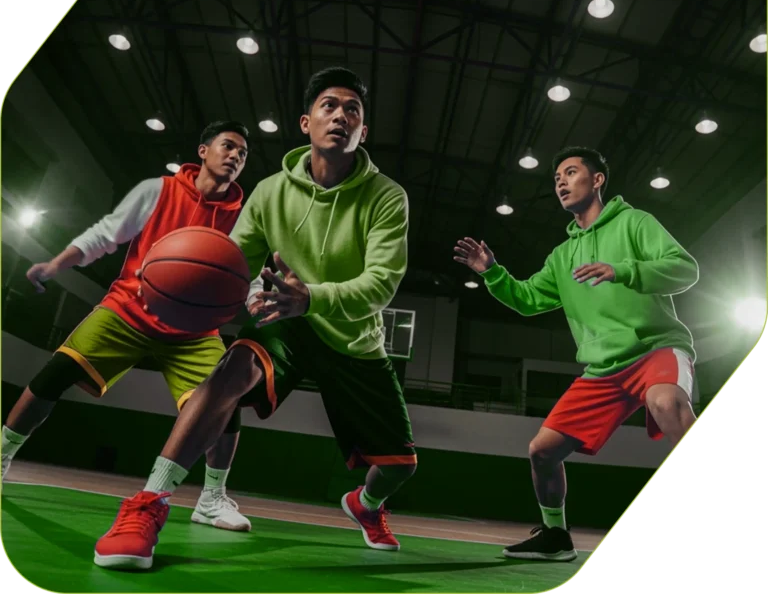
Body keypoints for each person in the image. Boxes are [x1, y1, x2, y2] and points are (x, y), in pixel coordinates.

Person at [93, 66, 416, 571]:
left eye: (352, 109)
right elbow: (232, 262)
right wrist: (223, 297)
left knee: (401, 466)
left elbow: (382, 283)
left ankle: (365, 504)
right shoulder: (269, 191)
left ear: (363, 131)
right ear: (305, 122)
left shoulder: (387, 197)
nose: (341, 115)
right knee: (229, 374)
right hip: (285, 317)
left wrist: (312, 296)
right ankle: (148, 504)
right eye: (329, 105)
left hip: (353, 338)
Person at [1, 121, 254, 537]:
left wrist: (266, 295)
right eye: (228, 146)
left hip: (194, 328)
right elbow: (106, 234)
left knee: (225, 403)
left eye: (243, 154)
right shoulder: (158, 189)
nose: (235, 157)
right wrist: (55, 265)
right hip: (130, 307)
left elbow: (248, 273)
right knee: (56, 372)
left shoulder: (242, 220)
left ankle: (211, 499)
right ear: (204, 150)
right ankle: (2, 457)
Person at [454, 146, 699, 562]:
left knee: (665, 401)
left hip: (655, 348)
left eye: (570, 173)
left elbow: (685, 268)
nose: (561, 183)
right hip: (603, 369)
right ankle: (555, 536)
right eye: (556, 179)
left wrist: (623, 270)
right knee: (542, 451)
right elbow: (529, 299)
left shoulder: (635, 223)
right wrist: (492, 272)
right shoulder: (562, 256)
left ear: (597, 179)